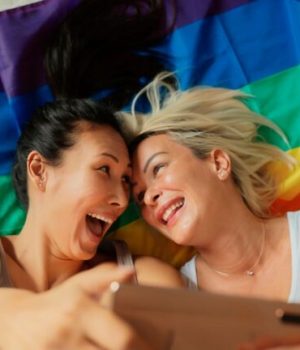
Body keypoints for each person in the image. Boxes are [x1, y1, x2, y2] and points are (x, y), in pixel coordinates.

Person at [0, 98, 182, 349]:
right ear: (39, 170)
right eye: (104, 169)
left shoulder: (145, 281)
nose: (121, 200)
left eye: (126, 180)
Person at [119, 72, 299, 304]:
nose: (150, 197)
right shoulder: (177, 296)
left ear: (218, 163)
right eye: (140, 197)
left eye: (158, 168)